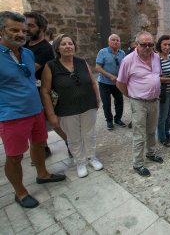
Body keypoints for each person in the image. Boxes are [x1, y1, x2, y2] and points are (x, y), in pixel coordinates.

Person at [0, 11, 66, 209]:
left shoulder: (28, 53)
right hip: (12, 115)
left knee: (39, 144)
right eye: (14, 30)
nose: (21, 34)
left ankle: (43, 174)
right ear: (1, 31)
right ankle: (20, 192)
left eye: (23, 30)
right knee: (15, 156)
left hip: (35, 109)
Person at [41, 34, 103, 178]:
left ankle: (91, 157)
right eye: (63, 44)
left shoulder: (82, 62)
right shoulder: (51, 66)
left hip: (88, 105)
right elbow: (45, 91)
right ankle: (80, 162)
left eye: (70, 43)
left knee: (89, 134)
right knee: (73, 137)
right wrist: (51, 114)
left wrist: (97, 98)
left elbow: (93, 82)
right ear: (57, 48)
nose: (68, 46)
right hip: (67, 108)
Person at [23, 11, 71, 159]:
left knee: (53, 121)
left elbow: (28, 70)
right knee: (36, 123)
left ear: (42, 28)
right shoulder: (25, 45)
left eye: (31, 26)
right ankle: (43, 148)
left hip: (44, 90)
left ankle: (70, 143)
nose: (26, 29)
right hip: (29, 91)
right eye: (26, 25)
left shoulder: (45, 48)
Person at [116, 31, 164, 177]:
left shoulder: (156, 57)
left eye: (150, 44)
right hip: (139, 102)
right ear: (136, 44)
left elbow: (157, 76)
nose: (147, 47)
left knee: (151, 130)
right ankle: (137, 163)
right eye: (144, 44)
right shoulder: (128, 60)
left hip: (154, 101)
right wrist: (131, 96)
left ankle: (150, 153)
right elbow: (120, 83)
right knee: (139, 134)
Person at [95, 34, 127, 130]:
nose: (115, 42)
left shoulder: (122, 53)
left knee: (119, 102)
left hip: (117, 83)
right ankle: (109, 121)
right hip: (104, 83)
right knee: (106, 103)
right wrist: (110, 75)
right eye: (113, 40)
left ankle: (117, 119)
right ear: (109, 42)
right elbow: (97, 67)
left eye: (117, 40)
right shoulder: (103, 52)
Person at [157, 35, 170, 147]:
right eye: (165, 44)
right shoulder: (156, 58)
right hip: (164, 91)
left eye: (169, 44)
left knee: (169, 113)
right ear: (160, 45)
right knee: (163, 114)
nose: (167, 46)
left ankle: (166, 132)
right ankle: (161, 137)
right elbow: (155, 77)